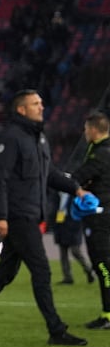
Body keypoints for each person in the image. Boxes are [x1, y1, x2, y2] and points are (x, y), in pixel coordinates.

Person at [0, 90, 88, 346]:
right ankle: (56, 330)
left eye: (41, 102)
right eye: (35, 103)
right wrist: (1, 216)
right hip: (18, 216)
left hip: (28, 215)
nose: (41, 106)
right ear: (21, 110)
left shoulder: (38, 139)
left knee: (5, 273)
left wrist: (76, 188)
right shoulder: (11, 139)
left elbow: (50, 174)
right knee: (41, 270)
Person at [71, 110, 110, 328]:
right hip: (105, 215)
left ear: (94, 130)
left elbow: (78, 177)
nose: (85, 133)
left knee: (103, 266)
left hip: (100, 218)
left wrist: (79, 187)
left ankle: (108, 315)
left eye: (86, 129)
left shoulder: (100, 155)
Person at [53, 193, 93, 285]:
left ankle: (88, 270)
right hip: (61, 223)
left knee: (75, 251)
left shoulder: (75, 195)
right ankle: (67, 277)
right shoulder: (56, 195)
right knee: (63, 252)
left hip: (73, 225)